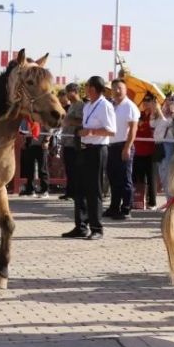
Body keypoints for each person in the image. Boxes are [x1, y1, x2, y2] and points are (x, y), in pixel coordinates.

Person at [63, 76, 115, 240]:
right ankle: (81, 226)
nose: (84, 89)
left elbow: (111, 130)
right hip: (83, 148)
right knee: (80, 189)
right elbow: (85, 126)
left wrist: (91, 132)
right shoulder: (88, 106)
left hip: (97, 149)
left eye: (87, 86)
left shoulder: (105, 105)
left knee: (94, 190)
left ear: (93, 88)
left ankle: (97, 228)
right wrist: (81, 130)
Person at [106, 79, 139, 219]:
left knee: (125, 179)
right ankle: (114, 207)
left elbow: (133, 128)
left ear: (125, 90)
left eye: (120, 88)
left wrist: (127, 147)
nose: (117, 91)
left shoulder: (130, 106)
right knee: (113, 178)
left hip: (124, 145)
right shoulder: (112, 106)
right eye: (114, 88)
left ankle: (126, 208)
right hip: (111, 146)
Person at [152, 92, 174, 203]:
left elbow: (170, 122)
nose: (168, 102)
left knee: (168, 172)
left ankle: (171, 200)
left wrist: (171, 110)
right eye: (167, 99)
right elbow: (152, 124)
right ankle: (169, 200)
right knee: (162, 173)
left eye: (171, 99)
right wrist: (155, 112)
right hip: (158, 145)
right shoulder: (160, 113)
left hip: (168, 145)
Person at [59, 83, 84, 200]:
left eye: (69, 92)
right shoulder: (72, 105)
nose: (67, 95)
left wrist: (69, 120)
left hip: (75, 142)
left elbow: (81, 122)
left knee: (75, 169)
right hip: (67, 141)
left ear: (75, 91)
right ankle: (69, 191)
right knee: (69, 169)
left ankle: (75, 192)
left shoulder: (80, 105)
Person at [133, 94, 158, 210]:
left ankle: (152, 202)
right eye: (144, 100)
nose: (146, 103)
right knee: (139, 177)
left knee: (151, 178)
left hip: (151, 151)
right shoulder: (140, 115)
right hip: (138, 150)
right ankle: (139, 200)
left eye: (148, 100)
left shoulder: (155, 116)